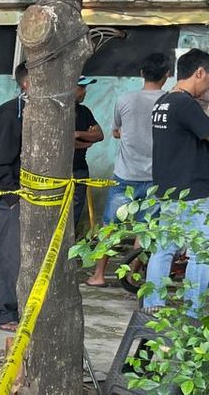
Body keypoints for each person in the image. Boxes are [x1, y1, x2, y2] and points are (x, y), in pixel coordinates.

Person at [87, 52, 170, 287]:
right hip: (156, 177)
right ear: (167, 75)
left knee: (110, 227)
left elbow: (115, 132)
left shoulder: (125, 99)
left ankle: (99, 275)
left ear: (141, 73)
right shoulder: (170, 102)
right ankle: (132, 278)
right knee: (145, 231)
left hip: (125, 175)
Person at [144, 48, 209, 314]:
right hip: (194, 191)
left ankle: (153, 305)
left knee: (163, 250)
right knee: (201, 252)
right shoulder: (185, 104)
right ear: (200, 72)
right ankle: (194, 311)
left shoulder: (163, 102)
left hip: (169, 189)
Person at [0, 62, 29, 331]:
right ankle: (1, 312)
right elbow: (1, 158)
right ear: (26, 82)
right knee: (8, 255)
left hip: (39, 198)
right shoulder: (11, 111)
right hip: (13, 195)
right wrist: (10, 195)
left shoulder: (50, 111)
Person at [71, 76, 104, 236]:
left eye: (85, 88)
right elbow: (63, 143)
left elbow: (99, 135)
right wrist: (85, 143)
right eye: (81, 87)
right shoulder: (59, 112)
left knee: (75, 210)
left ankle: (69, 243)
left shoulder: (84, 111)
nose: (84, 92)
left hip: (79, 169)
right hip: (61, 172)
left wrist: (78, 133)